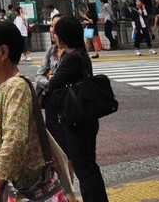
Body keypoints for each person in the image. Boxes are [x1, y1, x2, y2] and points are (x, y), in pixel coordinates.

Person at [0, 19, 49, 202]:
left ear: (2, 52)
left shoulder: (16, 87)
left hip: (16, 188)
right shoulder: (5, 87)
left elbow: (15, 139)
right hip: (6, 185)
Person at [42, 14, 111, 202]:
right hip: (85, 118)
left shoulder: (71, 58)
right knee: (88, 166)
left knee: (84, 169)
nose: (55, 36)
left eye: (57, 33)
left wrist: (50, 77)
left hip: (77, 121)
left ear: (64, 36)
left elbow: (53, 84)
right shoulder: (81, 53)